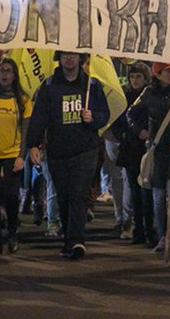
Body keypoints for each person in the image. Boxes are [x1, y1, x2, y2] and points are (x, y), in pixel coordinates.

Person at [27, 52, 109, 261]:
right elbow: (39, 116)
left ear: (80, 58)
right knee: (63, 197)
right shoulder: (50, 86)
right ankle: (68, 240)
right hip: (58, 151)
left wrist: (94, 117)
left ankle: (76, 241)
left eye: (73, 55)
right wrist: (33, 144)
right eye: (65, 56)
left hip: (85, 150)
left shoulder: (92, 85)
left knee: (78, 195)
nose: (69, 59)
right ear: (59, 58)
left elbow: (104, 115)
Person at [126, 62, 170, 254]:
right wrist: (139, 131)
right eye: (168, 71)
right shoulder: (149, 93)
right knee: (158, 197)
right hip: (158, 151)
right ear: (158, 74)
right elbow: (130, 114)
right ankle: (163, 236)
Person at [0, 58, 31, 254]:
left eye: (9, 71)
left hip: (12, 153)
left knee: (12, 196)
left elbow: (26, 131)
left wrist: (22, 156)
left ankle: (12, 231)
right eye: (1, 71)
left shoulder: (23, 100)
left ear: (15, 75)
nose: (4, 74)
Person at [116, 62, 152, 244]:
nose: (135, 80)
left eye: (138, 76)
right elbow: (120, 119)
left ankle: (149, 229)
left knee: (148, 191)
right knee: (135, 192)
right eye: (132, 76)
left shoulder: (149, 94)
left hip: (146, 147)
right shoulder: (126, 95)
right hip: (130, 147)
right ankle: (138, 229)